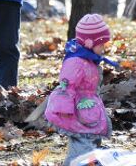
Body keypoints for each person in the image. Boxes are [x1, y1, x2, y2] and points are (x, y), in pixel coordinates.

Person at [45, 14, 118, 166]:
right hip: (77, 114)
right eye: (102, 44)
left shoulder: (89, 59)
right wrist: (64, 109)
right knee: (81, 150)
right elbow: (66, 85)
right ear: (90, 42)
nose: (104, 48)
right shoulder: (76, 62)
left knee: (92, 144)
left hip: (89, 112)